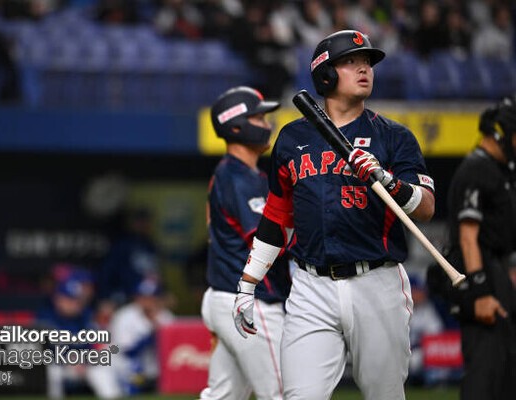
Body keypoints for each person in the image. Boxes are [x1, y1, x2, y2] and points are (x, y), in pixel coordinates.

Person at [232, 30, 436, 400]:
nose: (364, 69)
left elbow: (426, 207)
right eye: (351, 62)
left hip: (377, 282)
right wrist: (248, 284)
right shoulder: (292, 139)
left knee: (384, 395)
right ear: (325, 74)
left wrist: (388, 181)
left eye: (367, 62)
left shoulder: (394, 136)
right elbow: (277, 218)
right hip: (311, 287)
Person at [200, 86, 292, 400]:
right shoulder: (237, 177)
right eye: (259, 117)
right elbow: (267, 240)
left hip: (227, 295)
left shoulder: (245, 175)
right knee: (285, 393)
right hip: (250, 300)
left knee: (224, 395)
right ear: (236, 126)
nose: (267, 124)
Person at [445, 95, 516, 400]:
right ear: (503, 134)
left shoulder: (499, 170)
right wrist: (481, 291)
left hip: (496, 270)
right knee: (486, 375)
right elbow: (467, 237)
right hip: (480, 273)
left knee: (506, 374)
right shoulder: (477, 169)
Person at [37, 274, 121, 400]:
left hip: (83, 364)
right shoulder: (45, 318)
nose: (74, 304)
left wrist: (84, 361)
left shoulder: (86, 317)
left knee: (102, 368)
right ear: (58, 299)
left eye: (76, 300)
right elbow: (41, 351)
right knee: (52, 372)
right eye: (69, 300)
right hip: (59, 364)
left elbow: (93, 346)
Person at [108, 277, 174, 395]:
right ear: (136, 297)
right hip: (124, 364)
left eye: (151, 298)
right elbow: (128, 351)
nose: (146, 301)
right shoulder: (124, 316)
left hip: (153, 366)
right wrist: (152, 334)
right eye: (143, 297)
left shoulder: (166, 316)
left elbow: (173, 348)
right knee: (133, 370)